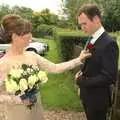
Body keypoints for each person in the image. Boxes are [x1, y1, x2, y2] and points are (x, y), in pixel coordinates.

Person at [0, 14, 91, 120]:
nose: (30, 36)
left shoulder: (32, 55)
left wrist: (79, 60)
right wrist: (19, 100)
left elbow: (55, 68)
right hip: (17, 115)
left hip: (37, 111)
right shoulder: (3, 63)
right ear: (14, 36)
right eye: (26, 33)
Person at [75, 3, 119, 120]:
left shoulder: (109, 43)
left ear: (96, 19)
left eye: (84, 23)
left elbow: (109, 76)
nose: (82, 28)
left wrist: (81, 81)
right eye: (80, 25)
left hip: (97, 101)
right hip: (87, 96)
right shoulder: (91, 38)